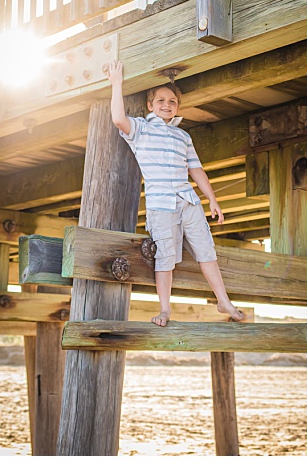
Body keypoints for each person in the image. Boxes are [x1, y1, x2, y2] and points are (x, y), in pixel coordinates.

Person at [106, 60, 247, 327]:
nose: (166, 105)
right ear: (150, 105)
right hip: (161, 205)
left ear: (177, 107)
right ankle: (165, 309)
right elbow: (117, 119)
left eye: (172, 101)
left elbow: (197, 170)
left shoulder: (183, 137)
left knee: (207, 251)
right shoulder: (141, 129)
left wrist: (212, 200)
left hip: (189, 202)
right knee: (165, 258)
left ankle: (223, 300)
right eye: (160, 100)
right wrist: (116, 84)